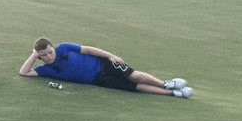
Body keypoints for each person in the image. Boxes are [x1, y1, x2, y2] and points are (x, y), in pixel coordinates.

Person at [20, 37, 194, 98]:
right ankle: (173, 93)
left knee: (133, 76)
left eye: (49, 52)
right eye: (43, 55)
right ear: (39, 57)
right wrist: (34, 55)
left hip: (103, 64)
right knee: (134, 87)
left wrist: (110, 55)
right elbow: (24, 72)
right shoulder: (45, 69)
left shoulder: (64, 47)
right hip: (100, 80)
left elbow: (88, 49)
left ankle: (165, 84)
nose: (48, 56)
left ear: (53, 47)